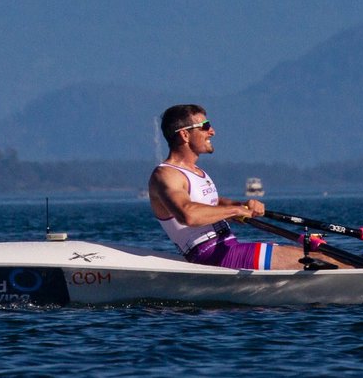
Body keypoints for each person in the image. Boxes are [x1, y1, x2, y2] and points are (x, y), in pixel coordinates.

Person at [148, 104, 349, 270]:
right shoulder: (166, 175)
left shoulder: (195, 172)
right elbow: (188, 215)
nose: (213, 131)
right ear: (184, 135)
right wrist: (236, 210)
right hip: (210, 255)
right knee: (328, 262)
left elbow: (212, 203)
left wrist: (241, 205)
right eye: (205, 125)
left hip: (229, 248)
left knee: (318, 256)